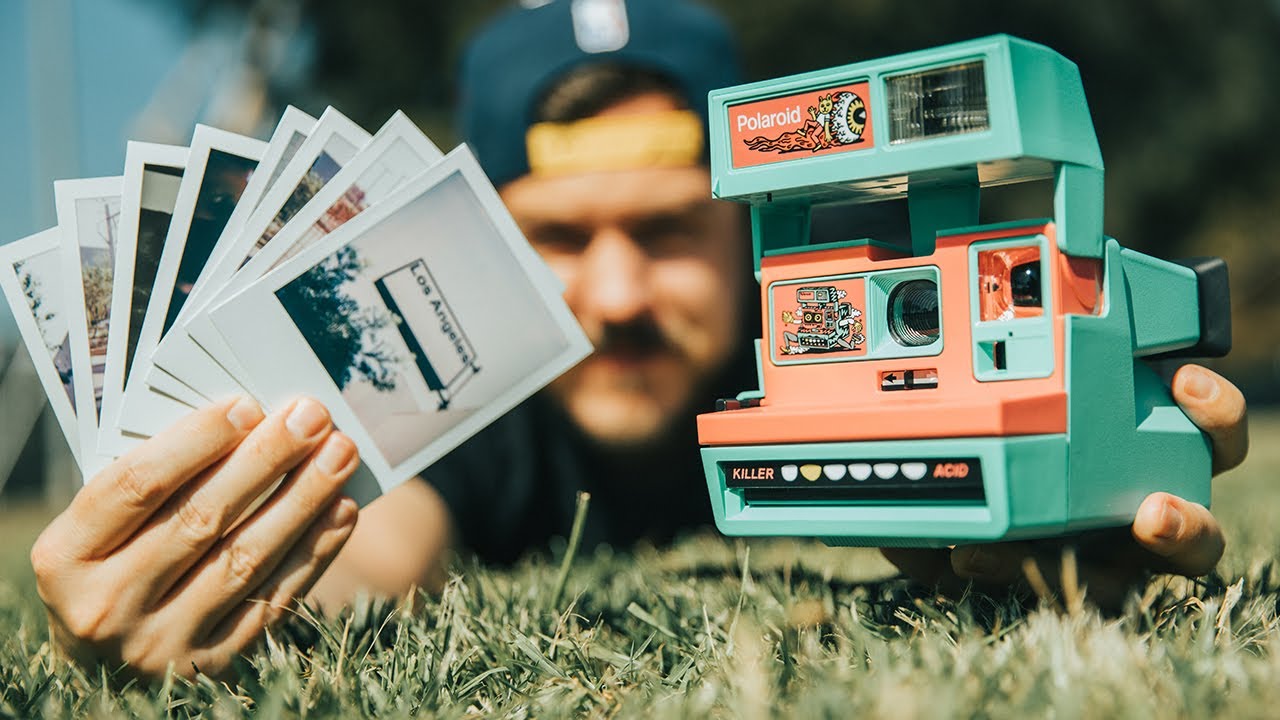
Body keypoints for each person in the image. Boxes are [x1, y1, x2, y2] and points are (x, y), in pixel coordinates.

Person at [30, 0, 1248, 680]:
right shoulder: (473, 418)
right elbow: (377, 545)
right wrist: (215, 565)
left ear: (748, 228)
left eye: (666, 227)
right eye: (558, 237)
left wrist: (1085, 461)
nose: (613, 294)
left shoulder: (775, 344)